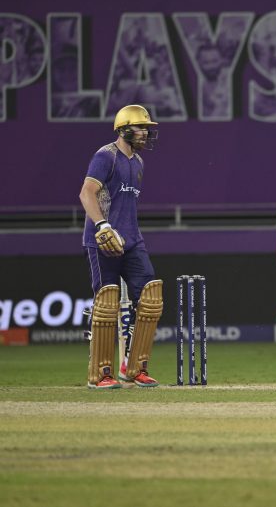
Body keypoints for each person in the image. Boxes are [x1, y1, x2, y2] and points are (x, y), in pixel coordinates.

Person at [78, 104, 163, 389]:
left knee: (150, 297)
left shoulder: (138, 162)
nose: (145, 133)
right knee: (106, 302)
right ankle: (100, 374)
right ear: (124, 128)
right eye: (141, 128)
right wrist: (102, 225)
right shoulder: (106, 156)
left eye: (147, 129)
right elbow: (86, 193)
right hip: (103, 240)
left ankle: (135, 368)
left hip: (131, 240)